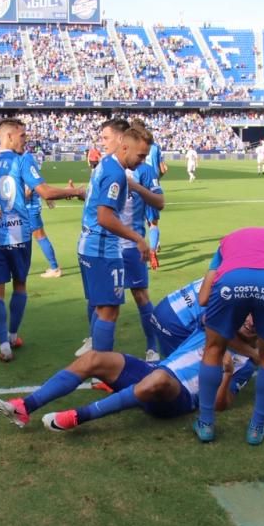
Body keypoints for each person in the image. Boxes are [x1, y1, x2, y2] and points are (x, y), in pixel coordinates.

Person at [0, 118, 84, 361]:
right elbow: (45, 192)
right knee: (19, 285)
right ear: (9, 137)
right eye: (23, 136)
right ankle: (13, 335)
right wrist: (76, 191)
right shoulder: (22, 159)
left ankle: (4, 346)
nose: (26, 140)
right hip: (19, 236)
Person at [0, 329, 257, 433]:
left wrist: (227, 374)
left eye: (258, 319)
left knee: (160, 379)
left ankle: (78, 417)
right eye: (248, 314)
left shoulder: (246, 364)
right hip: (156, 369)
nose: (250, 321)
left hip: (180, 396)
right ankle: (25, 407)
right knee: (93, 358)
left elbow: (223, 405)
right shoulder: (217, 327)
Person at [193, 227, 264, 446]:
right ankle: (256, 428)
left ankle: (206, 424)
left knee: (213, 350)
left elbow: (204, 297)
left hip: (232, 283)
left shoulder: (226, 243)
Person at [73, 121, 152, 358]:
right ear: (125, 147)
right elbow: (105, 217)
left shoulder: (104, 164)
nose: (142, 160)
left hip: (89, 244)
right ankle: (101, 368)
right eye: (141, 155)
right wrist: (137, 237)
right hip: (101, 247)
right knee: (109, 311)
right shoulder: (116, 173)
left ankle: (96, 357)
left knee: (102, 307)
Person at [119, 133, 165, 361]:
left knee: (140, 295)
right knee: (103, 300)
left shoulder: (145, 170)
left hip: (131, 245)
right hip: (106, 245)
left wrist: (135, 187)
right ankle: (97, 349)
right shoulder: (106, 166)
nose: (141, 158)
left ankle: (152, 347)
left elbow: (160, 202)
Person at [24, 145, 63, 278]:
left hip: (29, 208)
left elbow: (28, 192)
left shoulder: (24, 160)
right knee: (25, 239)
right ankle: (23, 268)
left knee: (39, 236)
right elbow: (38, 179)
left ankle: (55, 268)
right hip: (28, 208)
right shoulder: (27, 158)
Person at [137, 119, 168, 269]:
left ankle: (140, 250)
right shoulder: (155, 147)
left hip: (136, 187)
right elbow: (163, 169)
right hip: (152, 187)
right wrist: (156, 179)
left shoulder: (131, 148)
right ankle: (153, 249)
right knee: (153, 224)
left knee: (135, 222)